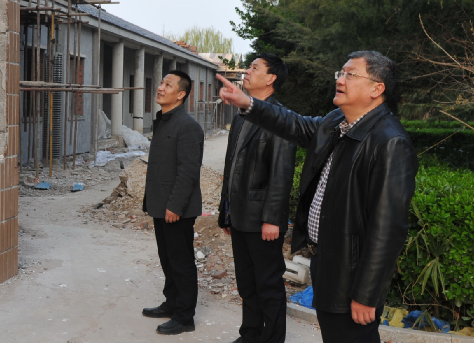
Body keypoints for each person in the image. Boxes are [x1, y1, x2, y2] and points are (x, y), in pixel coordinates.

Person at [216, 51, 418, 343]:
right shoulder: (338, 121)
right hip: (326, 261)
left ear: (377, 89)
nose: (341, 80)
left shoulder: (389, 142)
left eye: (351, 74)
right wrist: (248, 103)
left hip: (350, 274)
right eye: (341, 73)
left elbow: (388, 230)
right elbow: (295, 124)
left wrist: (366, 294)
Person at [218, 54, 297, 343]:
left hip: (263, 219)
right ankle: (250, 334)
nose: (247, 72)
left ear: (271, 78)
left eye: (254, 68)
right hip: (239, 215)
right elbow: (231, 167)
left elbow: (281, 174)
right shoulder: (243, 115)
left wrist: (272, 219)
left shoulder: (281, 118)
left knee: (268, 285)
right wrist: (225, 212)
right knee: (246, 283)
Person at [142, 70, 204, 335]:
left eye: (168, 85)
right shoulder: (164, 121)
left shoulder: (187, 126)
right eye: (161, 83)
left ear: (180, 94)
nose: (160, 88)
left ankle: (185, 316)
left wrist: (175, 206)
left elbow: (188, 171)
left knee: (181, 262)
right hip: (160, 204)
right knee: (167, 258)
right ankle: (172, 302)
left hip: (176, 209)